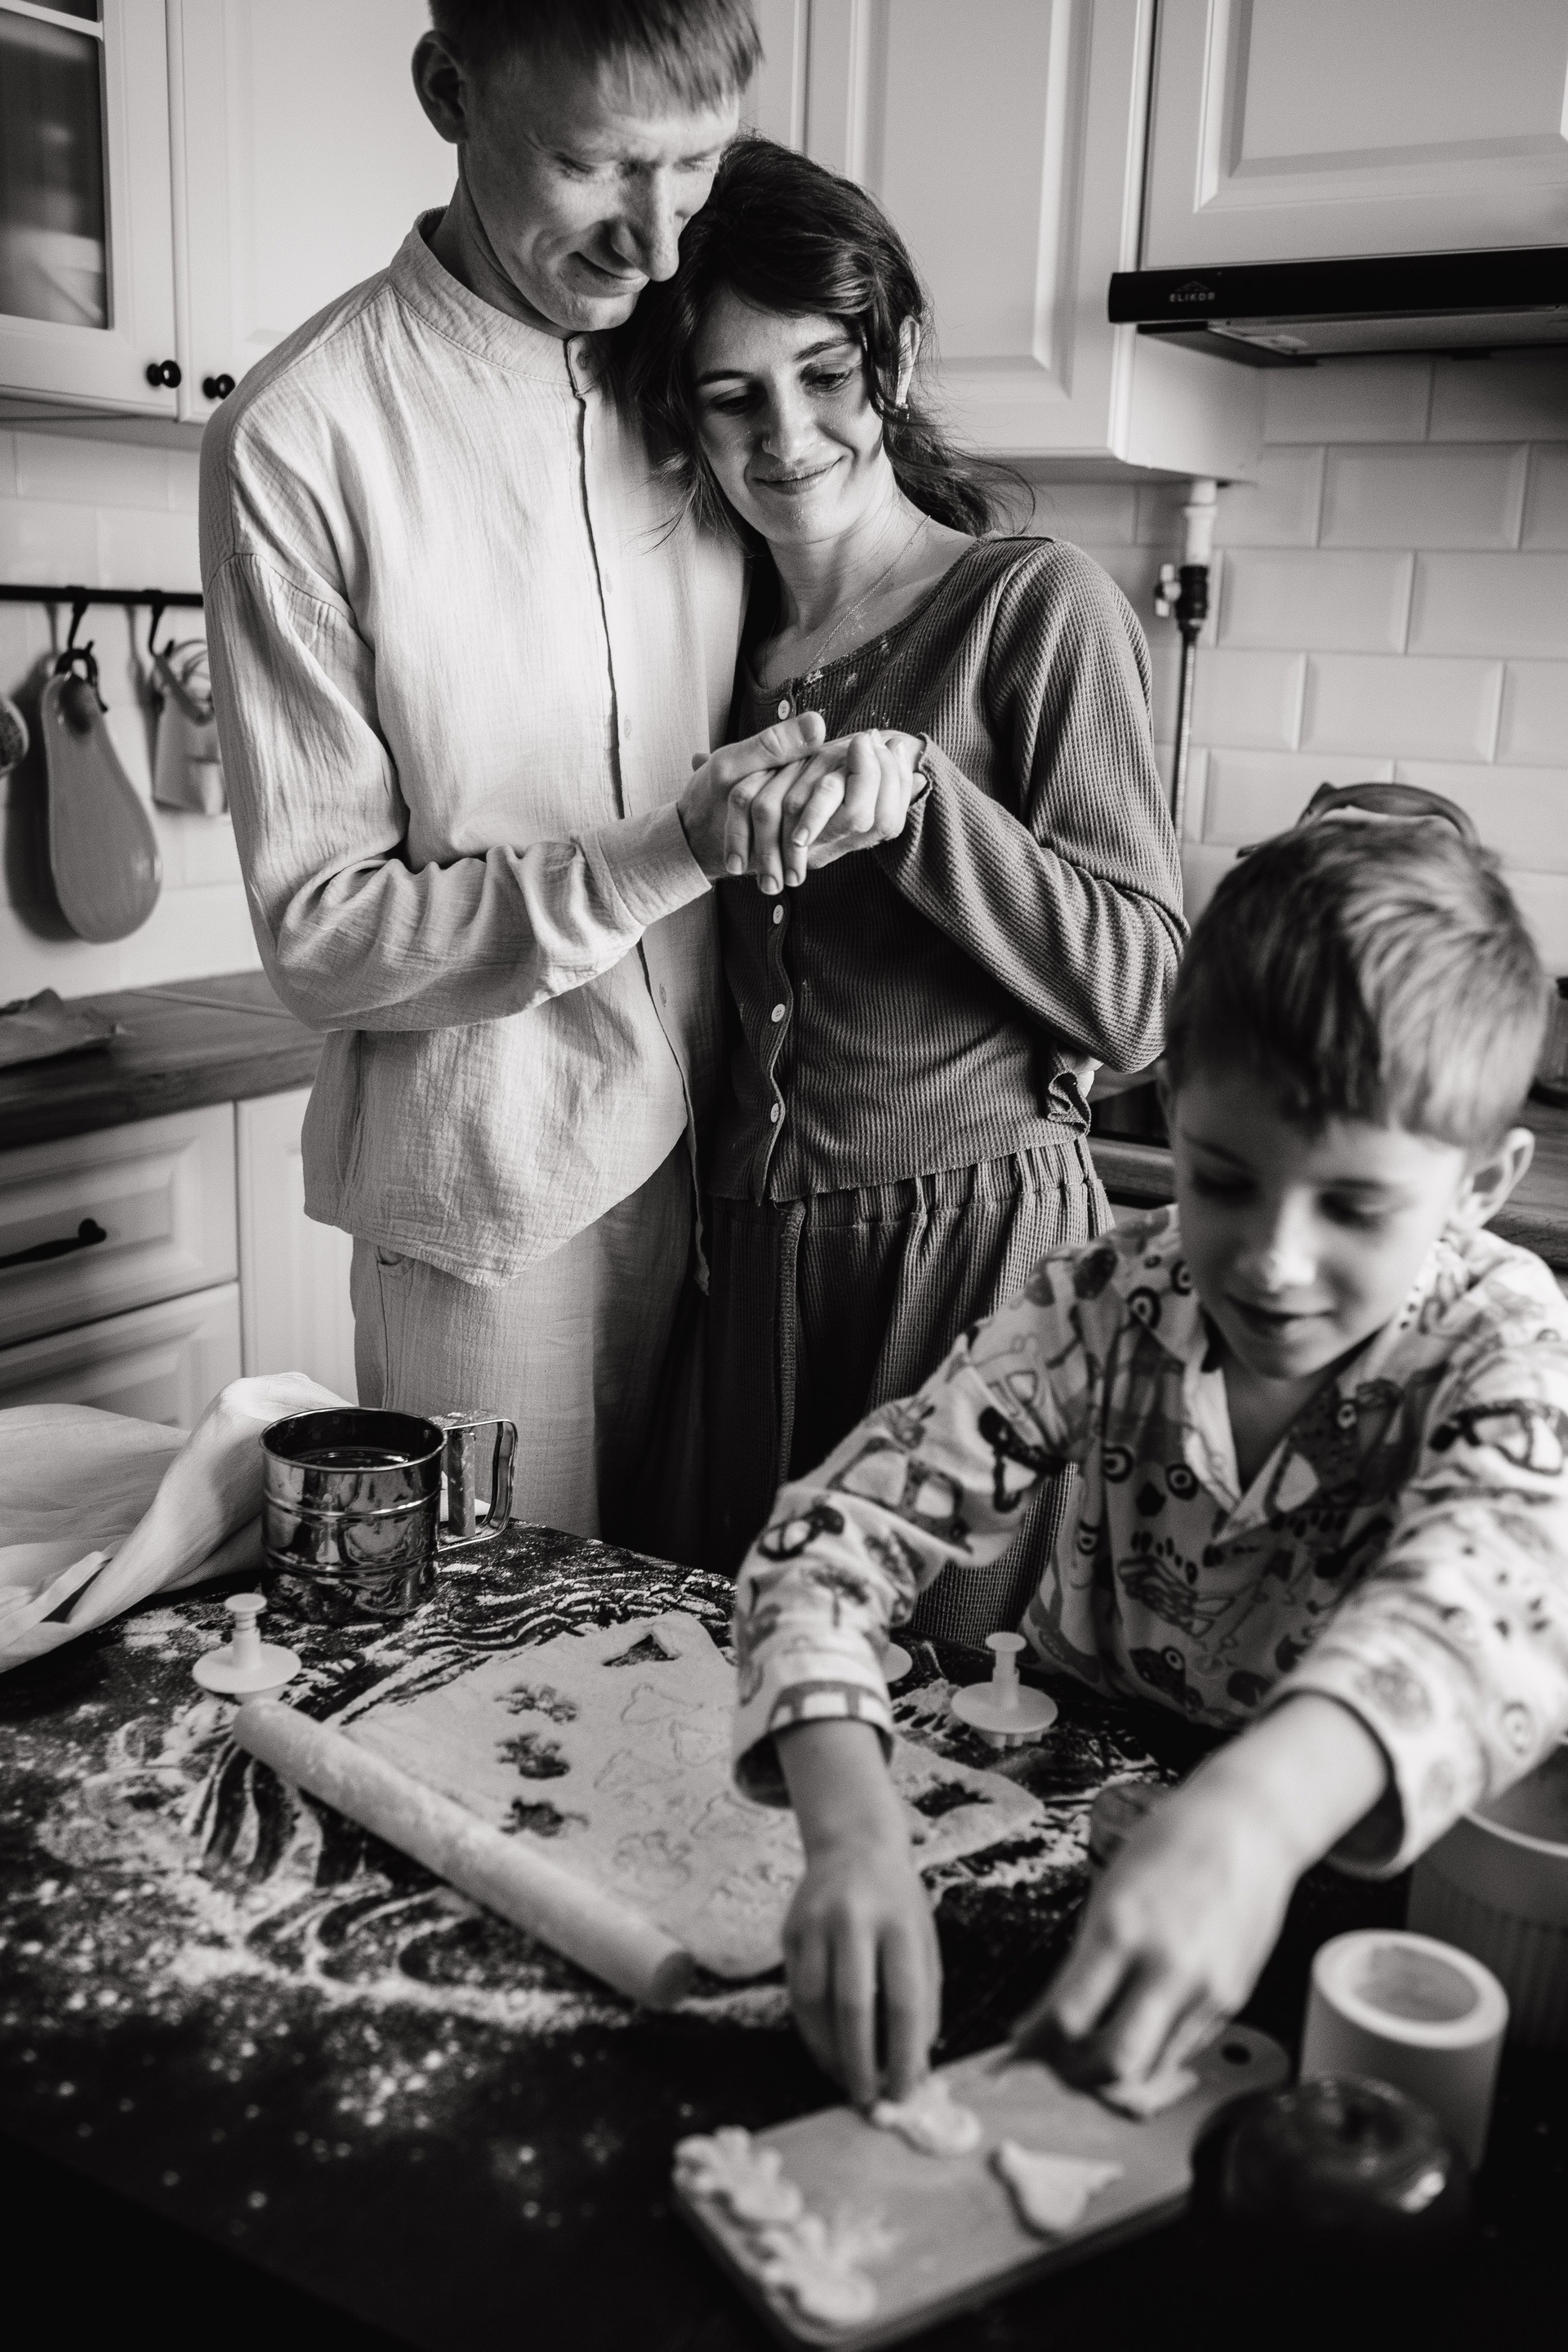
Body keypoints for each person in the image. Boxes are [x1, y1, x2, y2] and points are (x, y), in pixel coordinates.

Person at [200, 3, 915, 1557]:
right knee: (494, 1664)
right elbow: (324, 937)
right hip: (492, 1211)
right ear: (448, 92)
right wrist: (670, 852)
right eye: (594, 165)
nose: (657, 242)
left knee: (704, 1653)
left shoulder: (690, 369)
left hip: (745, 1173)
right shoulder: (303, 437)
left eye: (697, 164)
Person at [728, 814, 1568, 2107]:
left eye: (1355, 1207)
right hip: (1077, 1822)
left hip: (1369, 1877)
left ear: (1481, 1184)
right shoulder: (1106, 1301)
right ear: (1173, 1114)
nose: (1273, 1262)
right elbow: (832, 1541)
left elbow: (1496, 1596)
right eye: (1224, 1182)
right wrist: (851, 1831)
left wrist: (1254, 1820)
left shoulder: (1501, 1341)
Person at [622, 140, 1185, 1637]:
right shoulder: (713, 656)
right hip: (751, 1274)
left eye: (825, 374)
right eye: (733, 395)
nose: (787, 434)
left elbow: (1142, 1006)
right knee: (728, 1688)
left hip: (974, 1269)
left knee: (956, 1714)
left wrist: (927, 801)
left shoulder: (1032, 606)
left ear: (900, 355)